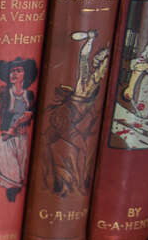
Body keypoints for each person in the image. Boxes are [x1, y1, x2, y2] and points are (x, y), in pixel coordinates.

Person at [42, 30, 110, 197]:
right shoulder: (86, 80)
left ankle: (60, 181)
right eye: (103, 62)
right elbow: (83, 57)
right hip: (65, 117)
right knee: (81, 149)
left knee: (49, 142)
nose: (104, 67)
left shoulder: (96, 82)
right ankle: (75, 183)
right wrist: (90, 41)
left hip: (66, 117)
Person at [0, 57, 38, 202]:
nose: (14, 74)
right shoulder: (1, 98)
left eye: (18, 70)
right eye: (12, 71)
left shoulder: (29, 96)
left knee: (21, 179)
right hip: (6, 142)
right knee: (12, 182)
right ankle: (7, 208)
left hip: (24, 142)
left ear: (25, 74)